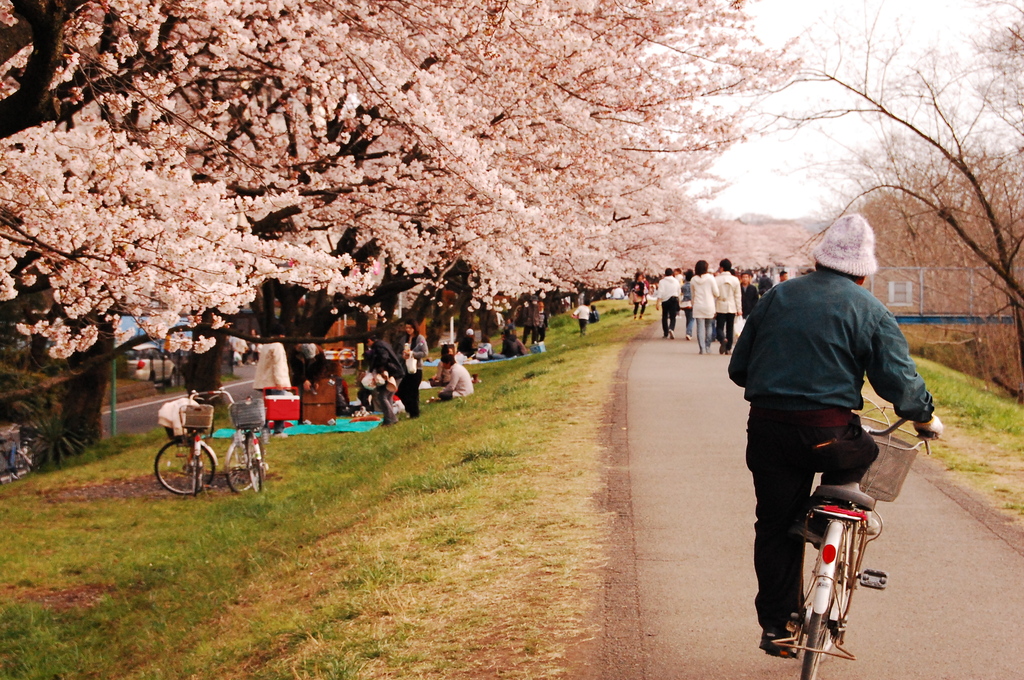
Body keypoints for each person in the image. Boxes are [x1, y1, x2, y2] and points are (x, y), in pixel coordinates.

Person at [727, 214, 944, 658]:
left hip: (767, 429)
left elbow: (739, 369)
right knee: (861, 451)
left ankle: (776, 626)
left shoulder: (778, 296)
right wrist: (924, 418)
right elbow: (900, 384)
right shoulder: (869, 309)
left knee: (772, 526)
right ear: (864, 271)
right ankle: (829, 519)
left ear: (819, 259)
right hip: (829, 433)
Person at [253, 323, 292, 434]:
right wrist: (280, 382)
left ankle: (264, 429)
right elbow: (278, 365)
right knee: (278, 407)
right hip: (274, 382)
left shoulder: (266, 345)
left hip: (264, 381)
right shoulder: (277, 346)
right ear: (281, 335)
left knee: (266, 407)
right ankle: (278, 430)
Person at [364, 334, 406, 426]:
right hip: (397, 372)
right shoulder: (384, 343)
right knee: (388, 396)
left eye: (367, 343)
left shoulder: (378, 346)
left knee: (382, 396)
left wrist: (381, 370)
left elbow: (383, 357)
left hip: (393, 373)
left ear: (370, 340)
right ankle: (388, 418)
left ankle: (391, 418)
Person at [397, 321, 428, 419]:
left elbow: (424, 353)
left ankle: (414, 413)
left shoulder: (420, 339)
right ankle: (409, 409)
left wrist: (412, 354)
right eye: (406, 327)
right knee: (401, 390)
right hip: (405, 368)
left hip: (416, 368)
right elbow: (397, 353)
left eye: (410, 328)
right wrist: (403, 356)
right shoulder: (403, 339)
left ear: (414, 328)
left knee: (413, 391)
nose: (408, 330)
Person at [689, 260, 719, 354]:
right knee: (709, 326)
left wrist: (693, 303)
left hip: (698, 305)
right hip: (709, 305)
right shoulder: (710, 278)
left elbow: (692, 294)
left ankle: (701, 348)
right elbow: (716, 293)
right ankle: (707, 346)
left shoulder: (693, 279)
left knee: (700, 328)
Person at [714, 259, 742, 355]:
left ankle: (722, 339)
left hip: (720, 305)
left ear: (721, 268)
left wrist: (713, 309)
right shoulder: (735, 280)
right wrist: (739, 309)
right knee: (730, 328)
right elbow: (737, 296)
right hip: (732, 305)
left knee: (719, 327)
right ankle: (729, 348)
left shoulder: (716, 279)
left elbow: (714, 295)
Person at [654, 268, 682, 339]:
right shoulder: (676, 281)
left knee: (664, 316)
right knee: (673, 317)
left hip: (665, 301)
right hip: (674, 299)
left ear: (665, 274)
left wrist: (658, 302)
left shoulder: (662, 282)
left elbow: (660, 292)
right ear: (672, 273)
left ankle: (665, 333)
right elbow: (678, 291)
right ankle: (671, 328)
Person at [681, 269, 694, 340]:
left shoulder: (683, 286)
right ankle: (689, 332)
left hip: (685, 303)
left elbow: (682, 292)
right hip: (692, 302)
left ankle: (688, 332)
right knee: (692, 319)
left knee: (688, 318)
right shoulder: (693, 285)